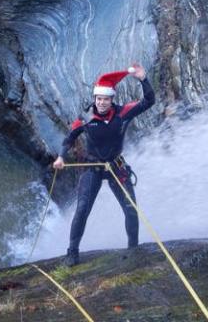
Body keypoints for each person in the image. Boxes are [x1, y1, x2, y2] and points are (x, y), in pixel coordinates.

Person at [53, 63, 155, 266]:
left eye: (105, 99)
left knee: (130, 209)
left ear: (111, 99)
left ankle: (133, 249)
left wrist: (143, 79)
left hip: (116, 166)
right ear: (95, 99)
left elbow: (149, 101)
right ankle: (72, 252)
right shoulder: (85, 118)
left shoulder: (123, 112)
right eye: (98, 99)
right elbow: (69, 138)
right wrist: (61, 157)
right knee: (82, 209)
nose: (101, 103)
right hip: (93, 168)